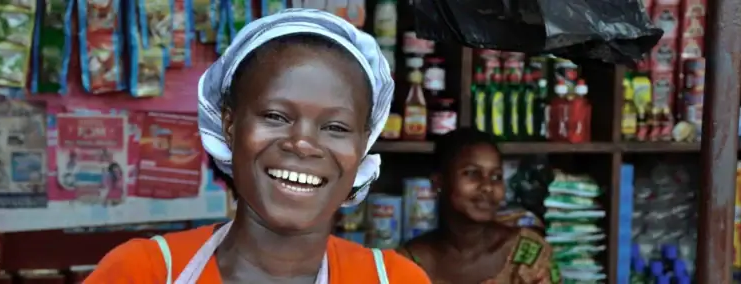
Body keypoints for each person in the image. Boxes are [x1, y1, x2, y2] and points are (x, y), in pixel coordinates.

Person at [85, 9, 430, 283]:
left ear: (362, 145)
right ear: (229, 126)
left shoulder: (394, 279)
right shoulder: (144, 273)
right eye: (276, 116)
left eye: (336, 127)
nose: (303, 144)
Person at [398, 128, 559, 284]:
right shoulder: (406, 264)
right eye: (472, 173)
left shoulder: (528, 256)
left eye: (496, 177)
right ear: (438, 183)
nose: (488, 187)